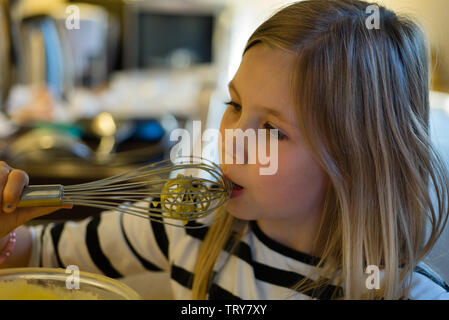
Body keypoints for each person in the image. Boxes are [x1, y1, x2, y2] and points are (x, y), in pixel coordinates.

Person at [0, 0, 448, 300]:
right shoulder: (187, 222)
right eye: (234, 105)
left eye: (271, 129)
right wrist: (8, 229)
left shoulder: (405, 293)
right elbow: (38, 255)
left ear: (357, 160)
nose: (231, 137)